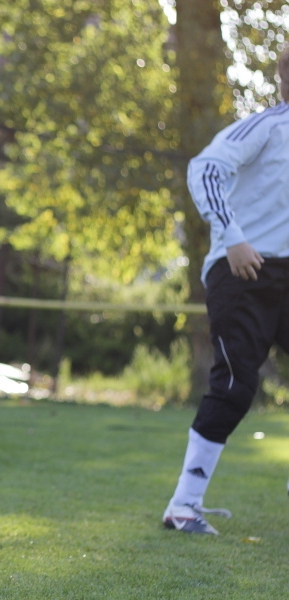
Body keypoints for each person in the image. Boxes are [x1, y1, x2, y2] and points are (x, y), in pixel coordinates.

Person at [162, 50, 289, 535]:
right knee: (236, 384)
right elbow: (205, 168)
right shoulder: (266, 128)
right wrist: (233, 236)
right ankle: (183, 506)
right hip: (243, 269)